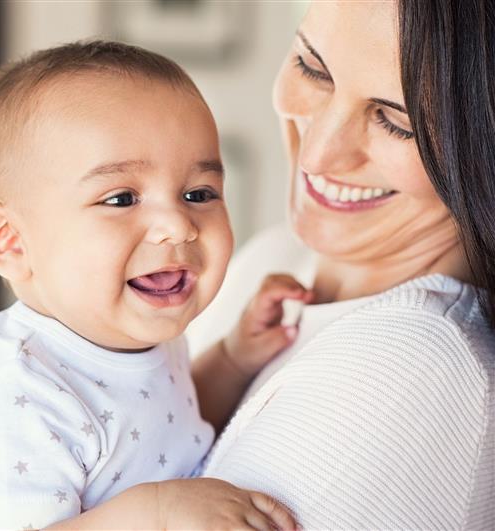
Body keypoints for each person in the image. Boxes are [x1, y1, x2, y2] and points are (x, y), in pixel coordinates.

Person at [0, 41, 304, 530]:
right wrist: (158, 514)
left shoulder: (143, 340)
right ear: (10, 241)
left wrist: (235, 358)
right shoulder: (16, 394)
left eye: (199, 193)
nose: (178, 225)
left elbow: (165, 426)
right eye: (122, 198)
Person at [182, 0, 494, 528]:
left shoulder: (410, 368)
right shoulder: (274, 258)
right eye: (312, 67)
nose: (317, 156)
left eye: (397, 122)